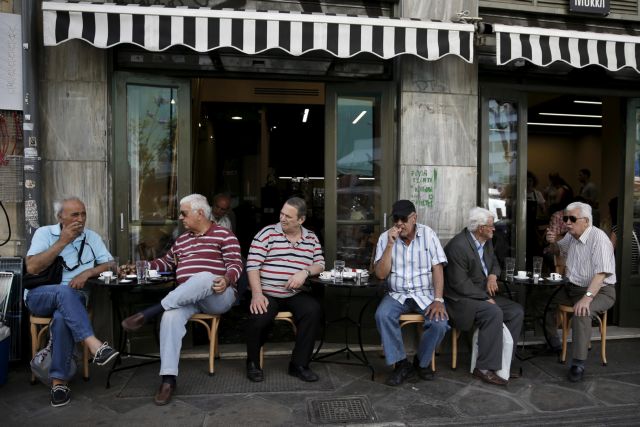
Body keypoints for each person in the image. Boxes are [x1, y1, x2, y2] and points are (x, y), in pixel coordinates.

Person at [120, 194, 243, 405]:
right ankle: (168, 380)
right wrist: (141, 267)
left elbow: (236, 264)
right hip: (188, 298)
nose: (180, 217)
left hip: (218, 295)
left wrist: (226, 278)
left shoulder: (225, 235)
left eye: (184, 213)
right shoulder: (182, 240)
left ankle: (149, 312)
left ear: (200, 214)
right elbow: (165, 263)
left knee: (204, 277)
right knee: (170, 316)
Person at [25, 197, 119, 407]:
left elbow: (110, 263)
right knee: (63, 292)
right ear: (61, 217)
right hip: (41, 295)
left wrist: (89, 272)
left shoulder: (91, 237)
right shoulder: (44, 233)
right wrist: (62, 242)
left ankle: (58, 383)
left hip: (75, 297)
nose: (80, 219)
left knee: (62, 317)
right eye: (74, 214)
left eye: (83, 214)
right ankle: (94, 345)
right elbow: (32, 268)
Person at [245, 197, 325, 383]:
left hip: (295, 293)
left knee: (313, 311)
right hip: (268, 292)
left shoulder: (311, 237)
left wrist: (304, 272)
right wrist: (257, 294)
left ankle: (299, 365)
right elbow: (252, 266)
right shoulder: (266, 234)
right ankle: (253, 363)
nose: (282, 218)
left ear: (301, 220)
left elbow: (320, 264)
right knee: (258, 315)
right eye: (281, 214)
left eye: (288, 216)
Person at [444, 207, 524, 386]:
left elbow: (495, 263)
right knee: (493, 311)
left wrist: (493, 276)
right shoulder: (458, 246)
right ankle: (484, 367)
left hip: (481, 295)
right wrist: (483, 296)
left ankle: (504, 365)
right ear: (480, 228)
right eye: (491, 225)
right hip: (461, 300)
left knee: (516, 311)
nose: (494, 228)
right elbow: (460, 284)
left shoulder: (486, 241)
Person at [373, 200, 450, 386]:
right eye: (396, 219)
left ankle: (421, 363)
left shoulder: (428, 235)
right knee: (382, 315)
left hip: (424, 293)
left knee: (440, 323)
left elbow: (438, 268)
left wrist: (438, 299)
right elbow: (381, 274)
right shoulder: (386, 238)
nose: (399, 224)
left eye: (403, 219)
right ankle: (401, 365)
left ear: (414, 218)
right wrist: (390, 246)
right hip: (397, 294)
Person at [544, 201, 616, 382]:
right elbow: (558, 250)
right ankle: (553, 341)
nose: (567, 222)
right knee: (542, 298)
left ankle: (578, 363)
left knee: (582, 311)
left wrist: (587, 298)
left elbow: (601, 274)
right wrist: (553, 242)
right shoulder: (571, 236)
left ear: (586, 221)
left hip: (600, 290)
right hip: (572, 287)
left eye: (572, 219)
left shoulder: (598, 239)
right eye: (565, 218)